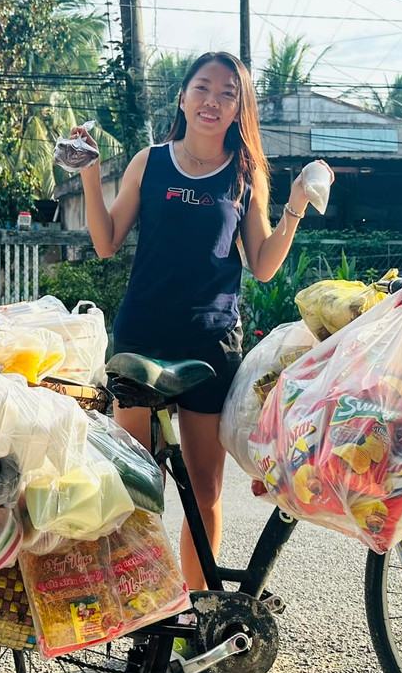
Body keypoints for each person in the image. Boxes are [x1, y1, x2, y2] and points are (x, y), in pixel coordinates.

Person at [69, 50, 331, 590]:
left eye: (228, 94)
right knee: (135, 492)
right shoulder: (149, 161)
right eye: (203, 88)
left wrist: (296, 206)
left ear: (239, 110)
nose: (213, 101)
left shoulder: (243, 173)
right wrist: (90, 173)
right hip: (141, 337)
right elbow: (104, 241)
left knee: (204, 495)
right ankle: (142, 620)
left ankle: (196, 618)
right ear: (183, 97)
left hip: (210, 343)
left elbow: (261, 266)